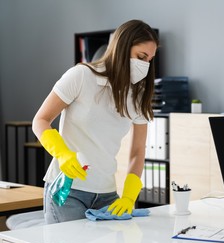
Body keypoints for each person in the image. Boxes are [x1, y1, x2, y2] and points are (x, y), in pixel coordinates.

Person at [32, 19, 159, 224]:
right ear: (121, 47)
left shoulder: (137, 95)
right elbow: (41, 120)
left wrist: (128, 195)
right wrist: (62, 154)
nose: (144, 65)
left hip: (107, 194)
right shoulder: (81, 76)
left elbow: (137, 151)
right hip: (68, 190)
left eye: (149, 60)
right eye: (141, 56)